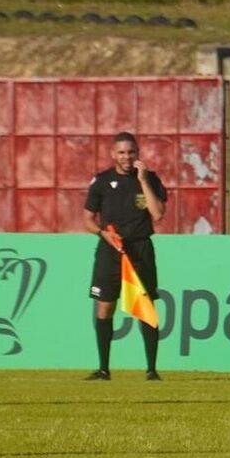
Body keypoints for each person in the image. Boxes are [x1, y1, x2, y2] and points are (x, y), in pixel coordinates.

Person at [83, 131, 167, 381]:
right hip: (111, 249)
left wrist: (143, 180)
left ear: (137, 154)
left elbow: (158, 213)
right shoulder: (101, 181)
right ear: (113, 154)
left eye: (131, 152)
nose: (127, 157)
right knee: (105, 306)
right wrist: (102, 234)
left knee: (145, 307)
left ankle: (151, 370)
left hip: (140, 249)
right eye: (121, 152)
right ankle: (103, 369)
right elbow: (87, 219)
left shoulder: (150, 178)